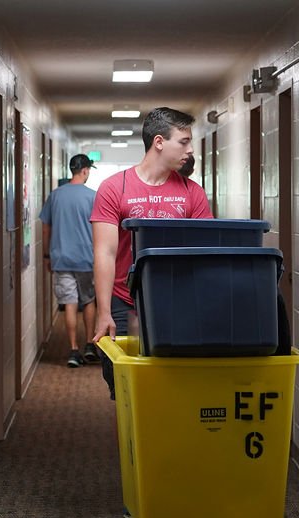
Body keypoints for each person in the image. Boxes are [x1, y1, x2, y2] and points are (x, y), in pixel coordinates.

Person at [90, 107, 213, 396]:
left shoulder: (192, 192)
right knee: (122, 387)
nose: (190, 149)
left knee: (172, 386)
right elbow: (105, 253)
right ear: (159, 142)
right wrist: (103, 311)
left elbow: (205, 253)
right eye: (183, 142)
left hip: (176, 302)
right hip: (123, 301)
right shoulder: (113, 188)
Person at [40, 154, 100, 367]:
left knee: (70, 303)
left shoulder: (55, 196)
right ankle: (90, 344)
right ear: (84, 170)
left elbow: (46, 228)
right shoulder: (93, 196)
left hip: (61, 258)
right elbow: (99, 229)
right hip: (87, 258)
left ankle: (74, 350)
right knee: (89, 300)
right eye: (89, 170)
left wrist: (46, 255)